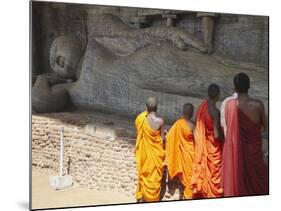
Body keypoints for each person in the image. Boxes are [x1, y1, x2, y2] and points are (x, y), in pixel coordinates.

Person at [221, 73, 269, 197]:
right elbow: (266, 126)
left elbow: (227, 131)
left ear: (234, 88)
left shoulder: (229, 105)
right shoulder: (258, 105)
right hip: (254, 153)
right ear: (249, 86)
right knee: (259, 188)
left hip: (236, 155)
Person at [192, 84, 224, 198]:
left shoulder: (202, 106)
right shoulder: (215, 111)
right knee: (214, 174)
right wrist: (224, 135)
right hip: (213, 148)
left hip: (203, 145)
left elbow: (197, 124)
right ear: (218, 95)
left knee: (206, 173)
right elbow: (216, 134)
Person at [135, 97, 165, 202]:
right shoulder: (160, 121)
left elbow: (139, 131)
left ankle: (143, 197)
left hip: (145, 154)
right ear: (157, 107)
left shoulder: (142, 119)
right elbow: (162, 139)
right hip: (156, 155)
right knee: (154, 179)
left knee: (145, 175)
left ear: (146, 107)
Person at [165, 103, 195, 199]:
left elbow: (169, 138)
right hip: (189, 155)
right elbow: (199, 140)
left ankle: (174, 191)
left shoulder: (178, 123)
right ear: (192, 113)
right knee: (189, 180)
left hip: (181, 156)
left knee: (183, 176)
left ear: (183, 112)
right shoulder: (192, 125)